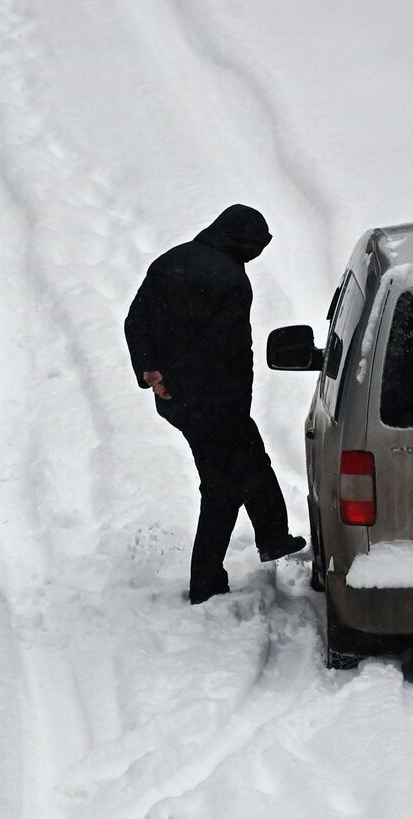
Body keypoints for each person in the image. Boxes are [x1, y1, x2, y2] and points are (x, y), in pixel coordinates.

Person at [125, 204, 305, 604]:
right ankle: (205, 582)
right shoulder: (233, 281)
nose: (256, 254)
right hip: (214, 400)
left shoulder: (169, 261)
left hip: (177, 399)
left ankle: (273, 537)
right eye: (256, 247)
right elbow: (227, 350)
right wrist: (232, 402)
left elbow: (135, 319)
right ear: (242, 242)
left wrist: (151, 371)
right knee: (223, 487)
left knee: (250, 459)